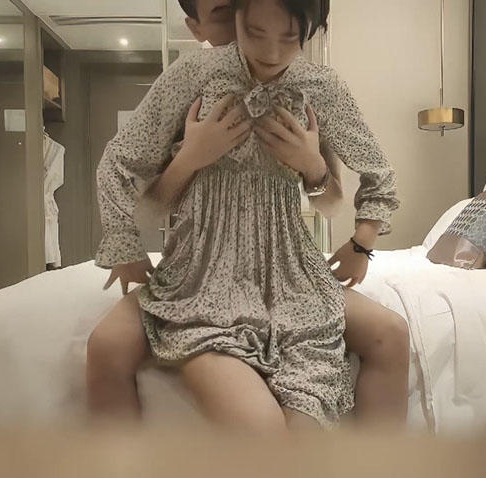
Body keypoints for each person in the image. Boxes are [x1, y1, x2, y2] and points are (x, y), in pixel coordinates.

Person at [86, 0, 408, 431]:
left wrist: (357, 237)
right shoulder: (194, 73)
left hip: (291, 272)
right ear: (237, 16)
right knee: (261, 430)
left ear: (309, 32)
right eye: (256, 32)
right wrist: (125, 244)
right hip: (202, 277)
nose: (272, 52)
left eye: (290, 38)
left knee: (328, 406)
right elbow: (120, 162)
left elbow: (368, 176)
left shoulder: (320, 86)